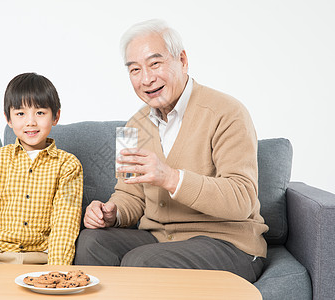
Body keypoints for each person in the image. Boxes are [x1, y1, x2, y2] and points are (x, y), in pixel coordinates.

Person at [75, 19, 268, 283]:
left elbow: (242, 199)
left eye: (155, 63)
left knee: (142, 262)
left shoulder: (227, 112)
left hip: (228, 244)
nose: (146, 78)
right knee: (91, 242)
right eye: (134, 69)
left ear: (182, 60)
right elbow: (129, 194)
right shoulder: (132, 127)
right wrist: (112, 212)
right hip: (159, 239)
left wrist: (171, 178)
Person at [0, 72, 83, 265]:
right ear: (9, 119)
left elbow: (65, 224)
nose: (30, 122)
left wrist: (57, 271)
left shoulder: (67, 165)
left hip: (37, 257)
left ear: (56, 116)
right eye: (20, 113)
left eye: (40, 112)